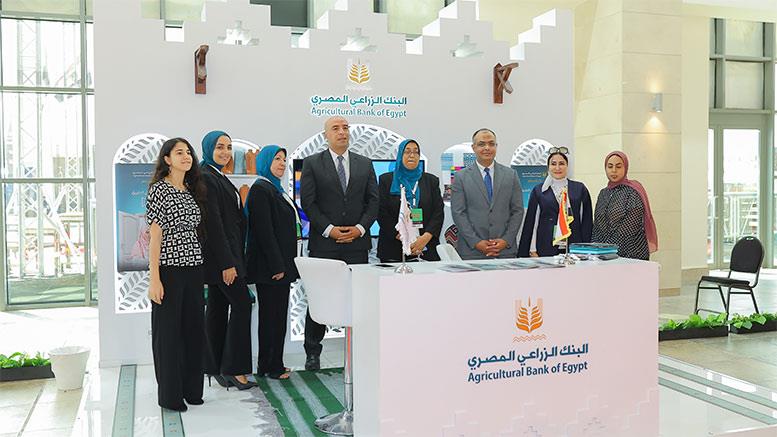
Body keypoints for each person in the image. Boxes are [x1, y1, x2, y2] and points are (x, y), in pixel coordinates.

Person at [299, 116, 378, 370]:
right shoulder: (312, 163)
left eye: (345, 128)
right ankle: (313, 352)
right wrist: (330, 230)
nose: (342, 132)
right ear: (326, 135)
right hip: (325, 244)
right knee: (319, 297)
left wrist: (360, 229)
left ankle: (360, 350)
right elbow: (308, 203)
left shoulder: (365, 164)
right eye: (336, 128)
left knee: (358, 300)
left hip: (357, 244)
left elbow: (373, 201)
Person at [146, 137, 206, 412]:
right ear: (167, 159)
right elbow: (155, 236)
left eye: (188, 152)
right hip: (169, 270)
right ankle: (170, 396)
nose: (186, 156)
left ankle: (192, 390)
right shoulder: (159, 189)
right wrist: (154, 278)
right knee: (168, 335)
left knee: (193, 331)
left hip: (194, 268)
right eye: (179, 152)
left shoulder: (190, 189)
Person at [199, 131, 256, 390]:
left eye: (229, 147)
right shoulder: (206, 178)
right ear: (208, 149)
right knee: (243, 304)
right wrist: (227, 263)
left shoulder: (218, 176)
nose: (225, 152)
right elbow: (214, 225)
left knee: (218, 308)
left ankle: (214, 366)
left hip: (223, 258)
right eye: (220, 147)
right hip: (222, 260)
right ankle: (234, 369)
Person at [245, 145, 300, 380]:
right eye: (277, 159)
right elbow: (264, 232)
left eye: (284, 160)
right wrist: (277, 266)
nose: (282, 164)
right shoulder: (261, 189)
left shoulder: (275, 189)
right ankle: (270, 366)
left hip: (281, 266)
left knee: (278, 317)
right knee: (270, 318)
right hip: (271, 269)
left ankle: (274, 363)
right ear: (265, 161)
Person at [450, 128, 524, 260]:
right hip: (472, 251)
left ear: (496, 146)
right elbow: (458, 213)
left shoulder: (511, 175)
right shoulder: (460, 177)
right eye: (481, 144)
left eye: (491, 144)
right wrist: (476, 242)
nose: (487, 148)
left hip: (505, 251)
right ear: (473, 147)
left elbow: (517, 211)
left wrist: (506, 240)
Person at [377, 139, 444, 262]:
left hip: (426, 246)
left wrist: (425, 238)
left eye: (416, 152)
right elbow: (381, 212)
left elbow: (438, 212)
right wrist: (404, 236)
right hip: (393, 247)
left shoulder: (431, 181)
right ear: (400, 155)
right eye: (407, 152)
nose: (412, 155)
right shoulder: (386, 180)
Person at [518, 148, 593, 257]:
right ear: (548, 167)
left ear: (567, 166)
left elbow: (586, 222)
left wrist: (584, 248)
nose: (557, 168)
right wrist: (533, 249)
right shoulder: (539, 191)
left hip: (574, 248)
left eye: (561, 163)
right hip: (545, 247)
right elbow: (533, 223)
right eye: (553, 164)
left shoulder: (579, 189)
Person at [592, 151, 658, 260]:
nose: (614, 170)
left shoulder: (633, 192)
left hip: (631, 254)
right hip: (605, 256)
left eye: (618, 167)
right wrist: (595, 250)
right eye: (610, 166)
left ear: (625, 168)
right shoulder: (603, 193)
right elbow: (597, 227)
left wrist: (608, 249)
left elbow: (629, 228)